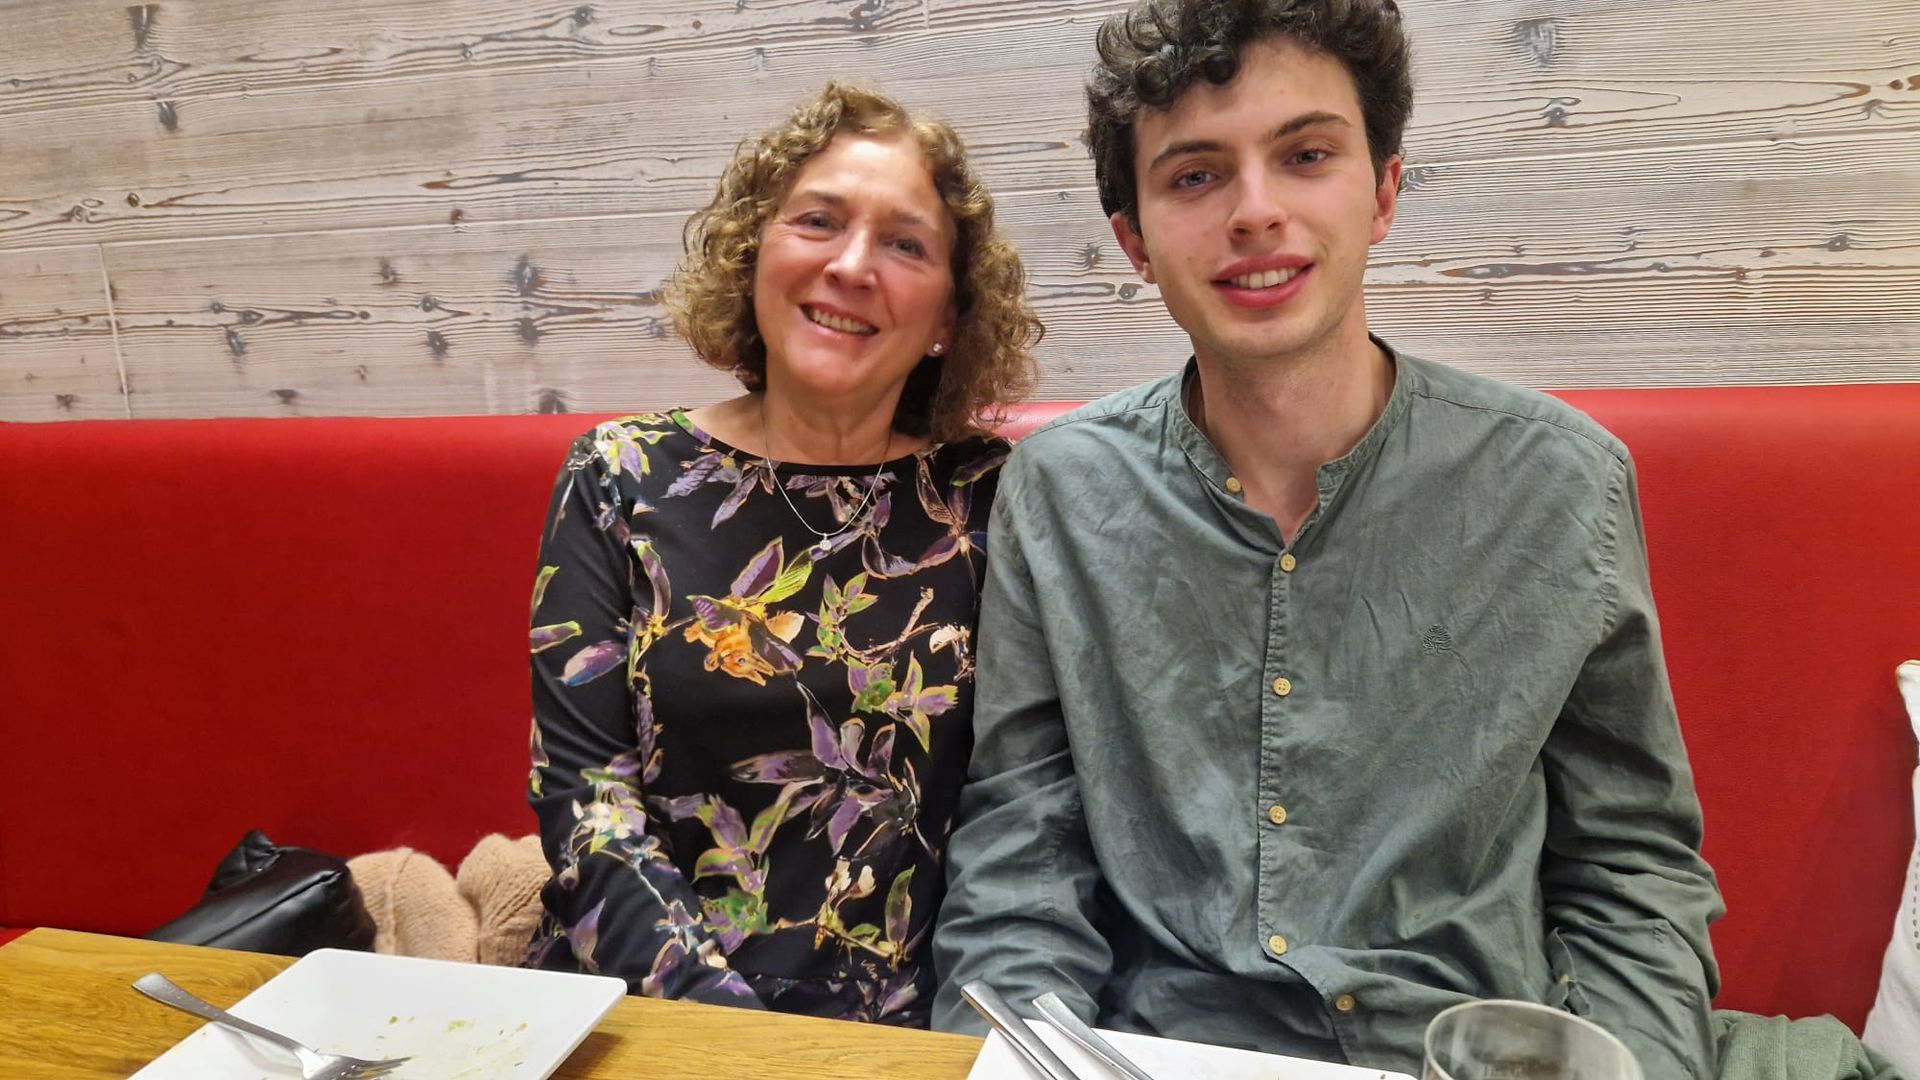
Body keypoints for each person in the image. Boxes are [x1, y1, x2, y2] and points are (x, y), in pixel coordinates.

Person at [930, 1, 1724, 1075]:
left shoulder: (1560, 480)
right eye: (1195, 175)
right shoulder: (1061, 492)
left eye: (1306, 155)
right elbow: (1021, 867)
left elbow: (1631, 872)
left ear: (1384, 191)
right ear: (1135, 241)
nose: (1256, 212)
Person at [526, 81, 1040, 1026]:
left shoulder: (994, 499)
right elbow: (585, 800)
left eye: (906, 245)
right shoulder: (619, 475)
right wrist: (735, 1037)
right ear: (754, 252)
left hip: (908, 1032)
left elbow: (1030, 813)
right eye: (818, 221)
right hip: (645, 1008)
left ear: (947, 320)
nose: (852, 265)